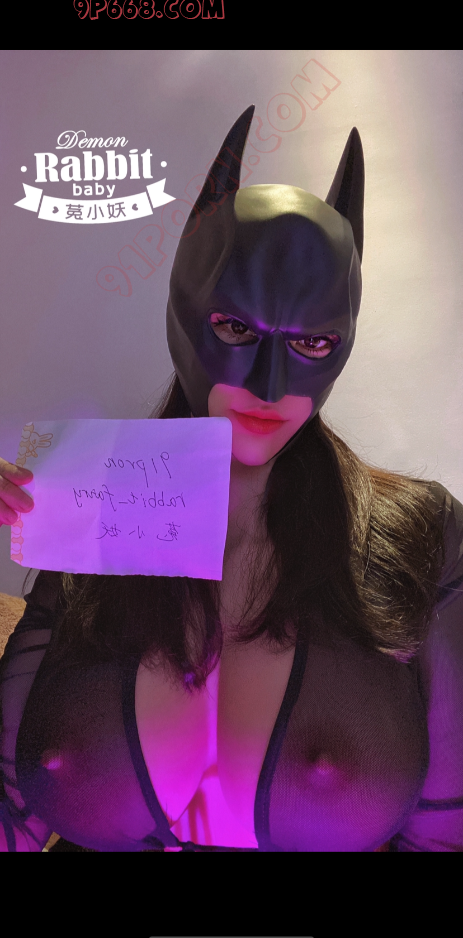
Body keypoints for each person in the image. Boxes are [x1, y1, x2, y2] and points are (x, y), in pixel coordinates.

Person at [1, 107, 463, 852]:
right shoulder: (94, 506)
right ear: (185, 311)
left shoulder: (422, 534)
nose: (269, 385)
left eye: (313, 343)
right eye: (236, 329)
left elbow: (447, 832)